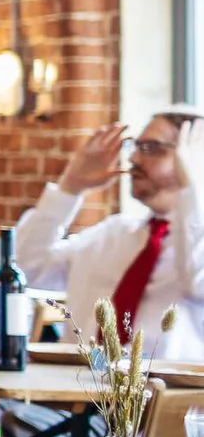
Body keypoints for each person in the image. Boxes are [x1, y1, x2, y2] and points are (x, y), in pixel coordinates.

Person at [16, 110, 204, 359]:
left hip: (169, 396)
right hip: (71, 391)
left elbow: (197, 284)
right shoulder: (113, 233)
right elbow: (27, 269)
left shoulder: (195, 249)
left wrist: (192, 188)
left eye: (151, 148)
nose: (134, 158)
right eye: (135, 146)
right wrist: (70, 187)